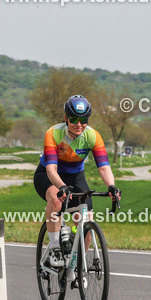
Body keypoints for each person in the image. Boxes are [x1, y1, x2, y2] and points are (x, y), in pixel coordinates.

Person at [34, 95, 121, 267]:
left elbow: (103, 167)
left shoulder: (93, 136)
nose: (79, 124)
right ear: (66, 118)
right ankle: (55, 248)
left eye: (83, 120)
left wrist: (111, 186)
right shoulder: (53, 133)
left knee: (86, 222)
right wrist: (61, 186)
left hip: (75, 177)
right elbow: (51, 169)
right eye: (74, 119)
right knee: (55, 199)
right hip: (49, 175)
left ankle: (76, 266)